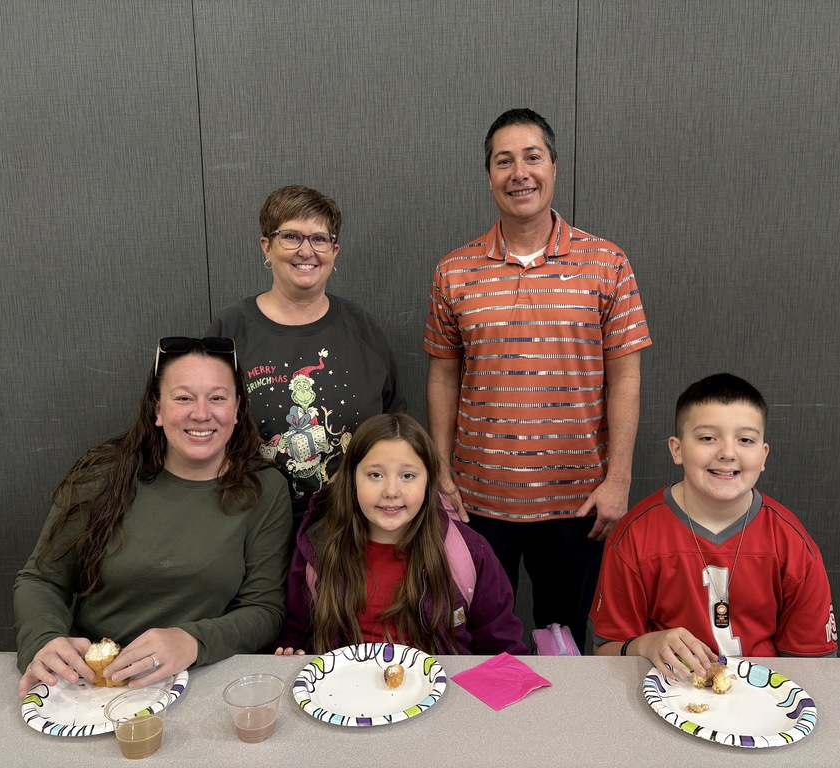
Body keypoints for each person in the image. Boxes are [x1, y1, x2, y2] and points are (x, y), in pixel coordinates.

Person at [423, 108, 651, 651]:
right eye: (504, 161)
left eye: (532, 157)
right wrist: (440, 471)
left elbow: (626, 379)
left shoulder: (606, 263)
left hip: (577, 503)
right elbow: (441, 376)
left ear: (553, 166)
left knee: (565, 638)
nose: (519, 172)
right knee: (475, 640)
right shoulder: (454, 270)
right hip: (477, 499)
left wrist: (617, 480)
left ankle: (559, 738)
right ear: (489, 174)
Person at [14, 337, 292, 697]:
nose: (201, 413)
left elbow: (264, 609)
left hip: (203, 683)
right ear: (157, 409)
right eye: (183, 397)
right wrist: (44, 640)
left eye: (218, 398)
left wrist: (191, 642)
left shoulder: (264, 490)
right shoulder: (101, 476)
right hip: (89, 686)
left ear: (237, 409)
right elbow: (41, 580)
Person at [590, 373, 838, 676]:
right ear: (677, 449)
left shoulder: (793, 544)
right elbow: (605, 650)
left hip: (762, 706)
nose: (727, 453)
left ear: (763, 455)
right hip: (666, 696)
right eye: (708, 438)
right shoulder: (635, 536)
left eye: (745, 440)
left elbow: (814, 666)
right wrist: (646, 644)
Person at [208, 185, 405, 531]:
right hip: (256, 526)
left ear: (334, 250)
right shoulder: (231, 331)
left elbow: (394, 423)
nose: (306, 251)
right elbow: (202, 425)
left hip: (353, 527)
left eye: (319, 239)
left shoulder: (361, 328)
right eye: (291, 237)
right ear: (266, 247)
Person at [275, 413, 526, 656]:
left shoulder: (469, 552)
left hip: (443, 691)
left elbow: (501, 644)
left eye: (408, 476)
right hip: (345, 692)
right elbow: (297, 632)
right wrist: (290, 650)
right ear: (351, 480)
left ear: (429, 482)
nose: (391, 491)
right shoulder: (318, 548)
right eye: (375, 475)